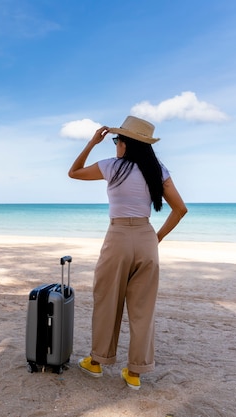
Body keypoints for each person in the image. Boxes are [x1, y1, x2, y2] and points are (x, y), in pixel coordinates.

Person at [68, 115, 187, 390]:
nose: (114, 144)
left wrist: (90, 143)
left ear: (125, 142)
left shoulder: (112, 167)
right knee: (143, 308)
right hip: (146, 238)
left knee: (107, 298)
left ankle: (96, 362)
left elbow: (74, 172)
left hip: (118, 237)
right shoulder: (158, 170)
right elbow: (180, 209)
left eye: (115, 140)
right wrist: (155, 238)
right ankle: (135, 373)